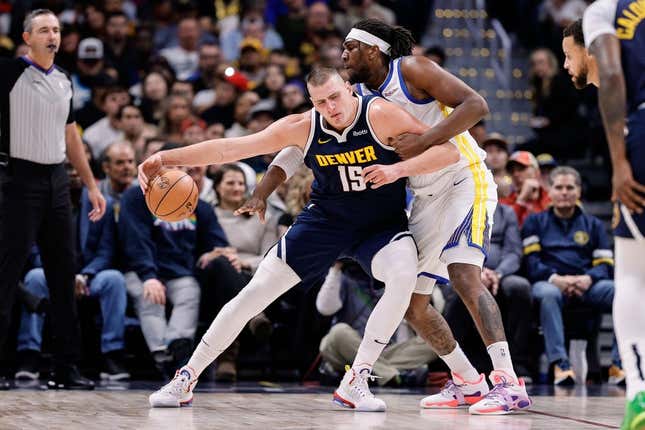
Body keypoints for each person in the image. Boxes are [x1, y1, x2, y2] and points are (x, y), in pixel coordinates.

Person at [242, 19, 531, 414]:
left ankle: (508, 382)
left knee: (464, 274)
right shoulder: (355, 96)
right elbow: (296, 146)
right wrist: (263, 189)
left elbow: (476, 105)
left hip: (464, 179)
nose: (342, 55)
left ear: (373, 50)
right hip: (423, 194)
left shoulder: (411, 69)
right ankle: (468, 381)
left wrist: (425, 140)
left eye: (350, 47)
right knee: (413, 305)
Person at [140, 67, 459, 411]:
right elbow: (230, 149)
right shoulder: (303, 126)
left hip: (378, 225)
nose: (331, 107)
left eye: (335, 97)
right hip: (324, 222)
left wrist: (396, 170)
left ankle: (357, 379)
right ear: (311, 103)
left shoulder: (380, 114)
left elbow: (450, 152)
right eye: (320, 102)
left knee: (403, 276)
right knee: (253, 295)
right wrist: (166, 157)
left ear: (350, 89)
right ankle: (186, 377)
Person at [0, 9, 106, 390]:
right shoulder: (9, 73)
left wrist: (92, 186)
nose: (53, 35)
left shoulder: (64, 80)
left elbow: (72, 136)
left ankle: (65, 369)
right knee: (6, 275)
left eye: (57, 29)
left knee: (64, 276)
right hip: (17, 181)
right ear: (27, 38)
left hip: (58, 181)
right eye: (44, 29)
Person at [565, 7, 645, 426]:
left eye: (567, 55)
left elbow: (612, 75)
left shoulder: (606, 9)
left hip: (642, 124)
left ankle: (640, 394)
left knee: (632, 272)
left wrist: (619, 163)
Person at [15, 163, 129, 382]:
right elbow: (35, 249)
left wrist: (84, 275)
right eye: (69, 168)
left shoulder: (102, 202)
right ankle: (29, 354)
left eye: (79, 169)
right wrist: (65, 276)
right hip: (52, 273)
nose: (75, 173)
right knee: (34, 277)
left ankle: (112, 354)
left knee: (114, 279)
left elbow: (106, 251)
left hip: (89, 277)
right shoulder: (43, 203)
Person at [522, 166, 621, 385]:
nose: (564, 192)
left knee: (619, 292)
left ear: (579, 191)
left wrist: (588, 279)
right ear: (549, 191)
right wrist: (556, 279)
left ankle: (619, 365)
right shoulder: (534, 222)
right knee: (547, 294)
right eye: (559, 187)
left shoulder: (593, 225)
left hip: (587, 284)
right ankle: (561, 364)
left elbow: (605, 264)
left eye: (570, 187)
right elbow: (532, 263)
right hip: (550, 283)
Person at [500, 151, 552, 227]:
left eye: (521, 169)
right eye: (511, 171)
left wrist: (534, 203)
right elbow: (503, 228)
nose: (515, 174)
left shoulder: (550, 199)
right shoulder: (503, 203)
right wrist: (521, 200)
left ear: (536, 172)